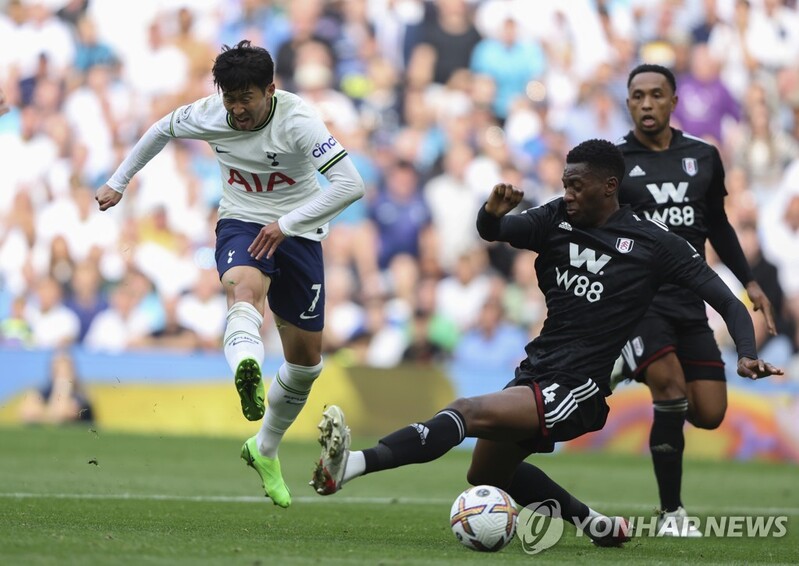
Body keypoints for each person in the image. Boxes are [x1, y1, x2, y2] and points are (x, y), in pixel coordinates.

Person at [309, 139, 782, 547]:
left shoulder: (653, 243)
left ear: (609, 186)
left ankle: (349, 465)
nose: (568, 193)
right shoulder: (556, 218)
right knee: (487, 475)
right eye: (565, 182)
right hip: (538, 367)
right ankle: (595, 524)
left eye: (577, 185)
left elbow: (730, 303)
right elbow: (495, 230)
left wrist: (745, 352)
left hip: (580, 385)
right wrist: (491, 213)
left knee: (467, 411)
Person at [95, 40, 365, 508]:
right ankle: (248, 367)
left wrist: (287, 225)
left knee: (306, 366)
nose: (237, 110)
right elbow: (160, 129)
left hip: (297, 229)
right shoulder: (208, 113)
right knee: (244, 289)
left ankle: (264, 449)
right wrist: (118, 181)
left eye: (247, 99)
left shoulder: (299, 121)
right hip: (241, 219)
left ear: (270, 91)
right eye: (230, 99)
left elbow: (350, 184)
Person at [614, 63, 776, 535]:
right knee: (670, 391)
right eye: (637, 96)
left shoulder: (703, 156)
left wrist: (748, 280)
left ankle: (631, 363)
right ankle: (672, 513)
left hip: (690, 299)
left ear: (674, 102)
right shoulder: (615, 163)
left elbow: (719, 226)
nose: (646, 103)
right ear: (628, 103)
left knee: (709, 413)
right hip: (638, 302)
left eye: (656, 95)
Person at [19, 350, 94, 425]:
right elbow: (28, 413)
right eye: (57, 370)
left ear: (73, 372)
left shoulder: (81, 397)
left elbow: (60, 415)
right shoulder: (45, 390)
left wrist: (63, 385)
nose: (60, 375)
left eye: (65, 370)